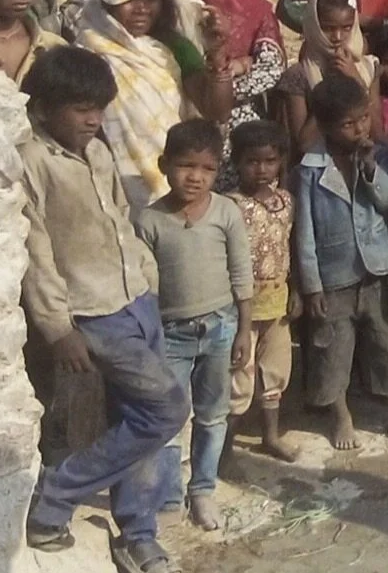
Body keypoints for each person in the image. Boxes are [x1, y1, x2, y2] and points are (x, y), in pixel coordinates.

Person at [20, 47, 189, 573]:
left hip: (135, 299)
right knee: (166, 409)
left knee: (136, 418)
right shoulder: (33, 160)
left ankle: (137, 534)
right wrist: (57, 327)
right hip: (94, 313)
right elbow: (36, 251)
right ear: (45, 107)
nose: (93, 119)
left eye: (98, 108)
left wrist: (148, 278)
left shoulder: (96, 151)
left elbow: (120, 216)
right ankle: (54, 497)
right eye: (80, 108)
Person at [133, 119, 252, 532]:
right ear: (164, 165)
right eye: (186, 166)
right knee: (169, 418)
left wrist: (244, 329)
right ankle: (169, 496)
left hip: (220, 327)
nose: (195, 177)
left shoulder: (226, 212)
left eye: (207, 169)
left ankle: (202, 490)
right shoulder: (149, 221)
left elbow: (241, 273)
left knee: (213, 414)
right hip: (170, 334)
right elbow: (144, 286)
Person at [293, 73, 388, 450]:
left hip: (377, 269)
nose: (360, 128)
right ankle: (341, 416)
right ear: (326, 126)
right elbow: (304, 232)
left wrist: (369, 169)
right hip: (333, 276)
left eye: (364, 118)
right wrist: (311, 285)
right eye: (348, 123)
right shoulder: (309, 168)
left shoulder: (378, 155)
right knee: (333, 349)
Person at [79, 0, 233, 208]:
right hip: (111, 179)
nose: (141, 8)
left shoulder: (174, 47)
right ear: (106, 2)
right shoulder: (86, 50)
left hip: (175, 176)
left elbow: (217, 110)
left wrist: (217, 52)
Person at [171, 0, 286, 142]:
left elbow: (272, 67)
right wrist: (240, 66)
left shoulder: (251, 5)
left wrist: (227, 84)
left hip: (241, 125)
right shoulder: (166, 3)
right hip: (177, 116)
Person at [225, 120, 299, 464]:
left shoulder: (286, 201)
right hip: (240, 306)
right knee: (239, 378)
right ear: (237, 162)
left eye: (270, 161)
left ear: (280, 161)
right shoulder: (229, 205)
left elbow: (289, 246)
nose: (262, 169)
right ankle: (223, 451)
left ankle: (271, 436)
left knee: (275, 371)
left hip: (277, 301)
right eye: (252, 161)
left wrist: (295, 290)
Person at [276, 0, 379, 152]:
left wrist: (357, 80)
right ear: (314, 24)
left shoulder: (369, 68)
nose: (337, 37)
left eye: (346, 28)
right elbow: (303, 144)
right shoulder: (299, 75)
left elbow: (378, 133)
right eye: (328, 28)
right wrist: (332, 86)